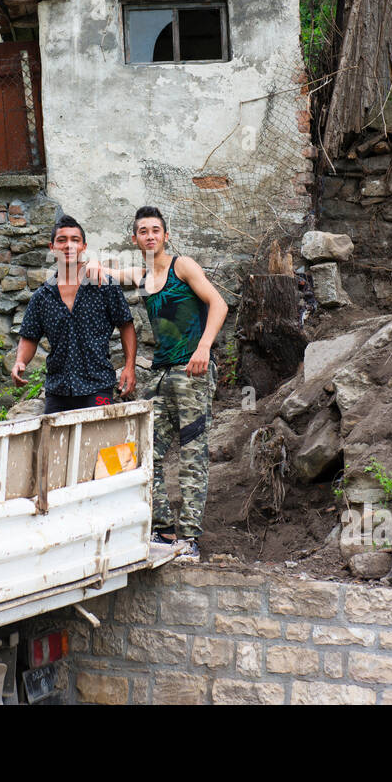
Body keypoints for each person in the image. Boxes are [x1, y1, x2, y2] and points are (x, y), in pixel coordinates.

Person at [89, 206, 228, 563]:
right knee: (141, 448)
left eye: (156, 230)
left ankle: (191, 540)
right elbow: (107, 274)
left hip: (193, 371)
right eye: (143, 231)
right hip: (163, 373)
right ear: (134, 239)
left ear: (166, 236)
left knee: (193, 452)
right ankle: (163, 528)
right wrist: (86, 267)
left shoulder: (183, 266)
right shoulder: (142, 276)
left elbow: (219, 303)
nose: (150, 236)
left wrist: (204, 347)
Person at [12, 215, 137, 413]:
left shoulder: (104, 286)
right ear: (52, 247)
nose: (68, 245)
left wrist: (130, 366)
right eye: (62, 240)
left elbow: (126, 325)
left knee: (100, 440)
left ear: (84, 247)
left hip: (98, 388)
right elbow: (30, 336)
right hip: (58, 390)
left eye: (75, 240)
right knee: (55, 443)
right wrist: (20, 361)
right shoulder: (42, 296)